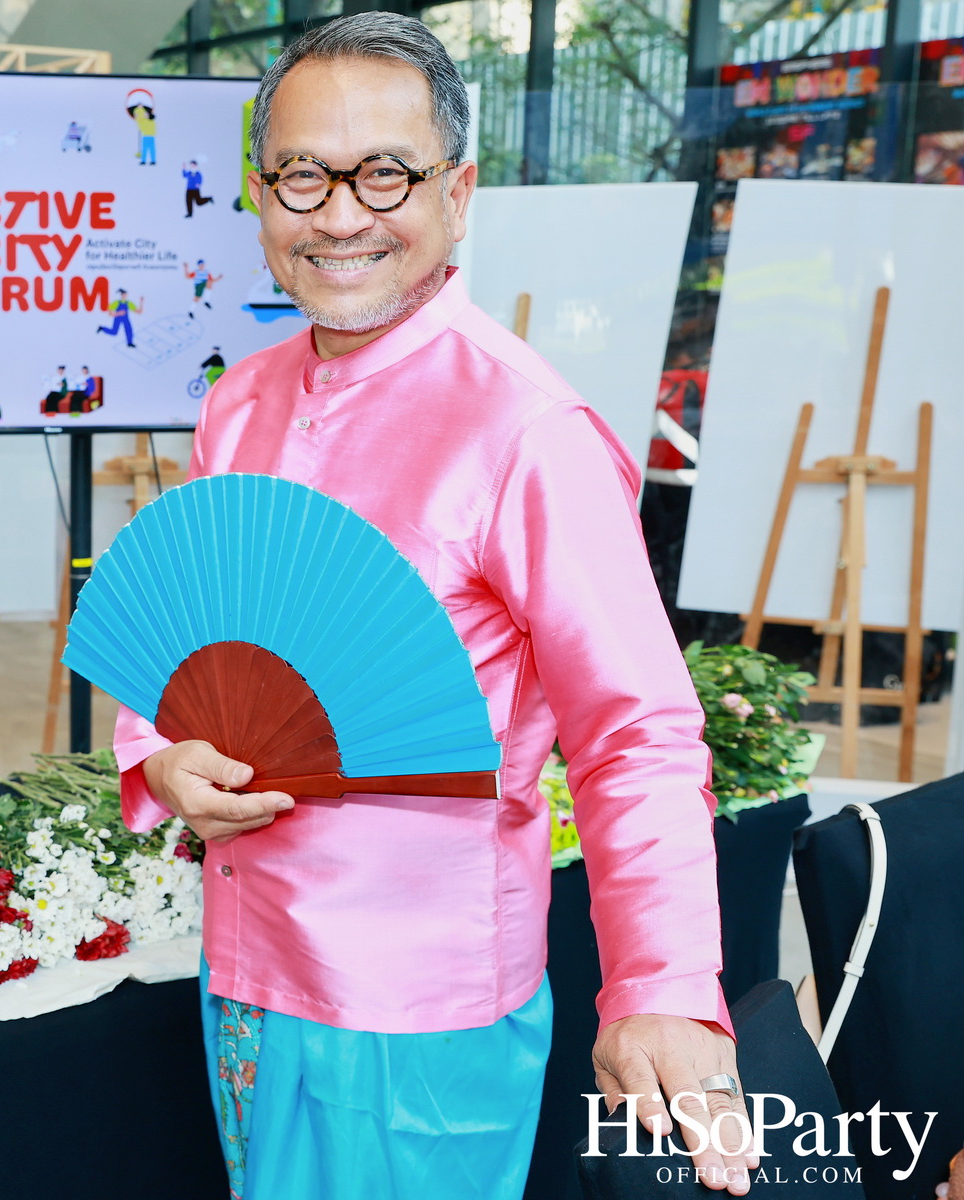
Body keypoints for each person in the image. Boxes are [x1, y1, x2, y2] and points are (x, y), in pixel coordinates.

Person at [116, 14, 755, 1200]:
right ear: (261, 197)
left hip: (416, 1008)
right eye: (303, 174)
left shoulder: (527, 433)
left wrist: (664, 985)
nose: (340, 214)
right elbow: (192, 648)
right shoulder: (237, 406)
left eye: (386, 174)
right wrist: (159, 754)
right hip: (242, 963)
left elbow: (637, 731)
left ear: (456, 195)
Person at [128, 98, 158, 164]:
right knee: (151, 149)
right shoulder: (152, 122)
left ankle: (144, 160)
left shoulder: (146, 122)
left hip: (146, 136)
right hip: (151, 136)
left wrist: (139, 112)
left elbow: (140, 122)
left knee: (145, 149)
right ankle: (152, 160)